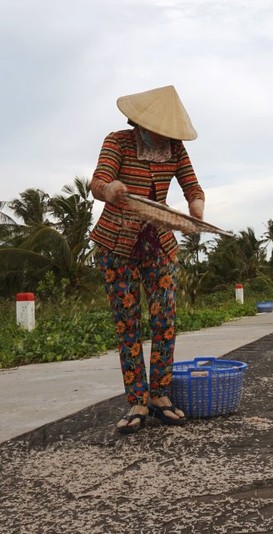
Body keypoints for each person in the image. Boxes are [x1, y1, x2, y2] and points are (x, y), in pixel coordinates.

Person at [89, 85, 204, 434]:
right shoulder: (118, 142)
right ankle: (136, 401)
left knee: (164, 319)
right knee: (128, 325)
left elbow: (192, 188)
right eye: (160, 129)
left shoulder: (176, 150)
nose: (165, 136)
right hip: (117, 245)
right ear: (142, 124)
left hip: (159, 243)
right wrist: (109, 190)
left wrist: (195, 212)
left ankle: (160, 396)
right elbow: (98, 181)